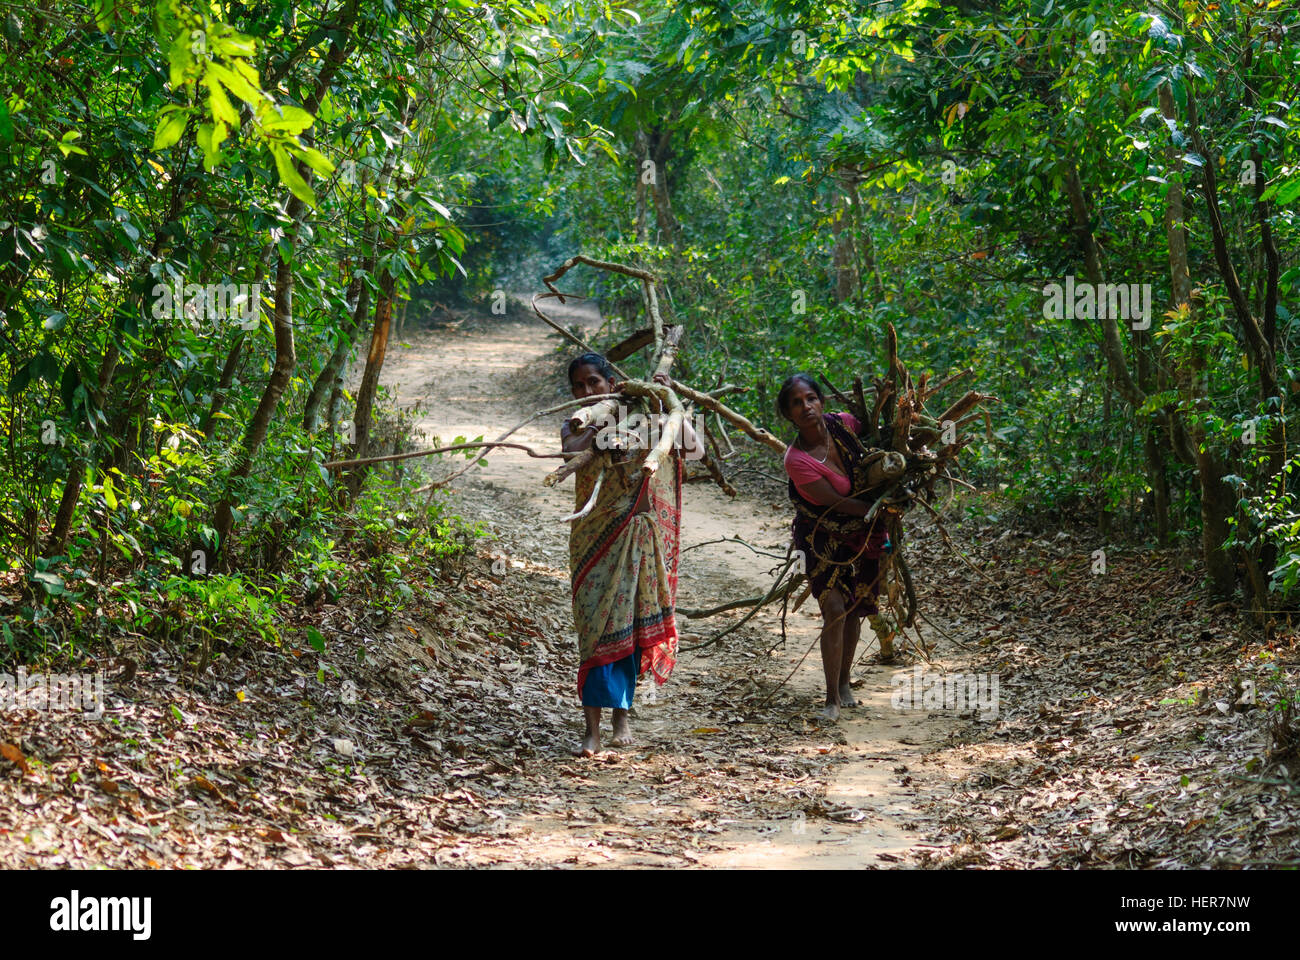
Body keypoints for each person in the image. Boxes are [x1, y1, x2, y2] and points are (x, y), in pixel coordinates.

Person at [560, 353, 698, 756]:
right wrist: (603, 424)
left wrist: (666, 399)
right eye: (580, 386)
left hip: (639, 538)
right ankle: (592, 729)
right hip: (594, 542)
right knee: (595, 631)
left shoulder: (648, 420)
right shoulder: (576, 425)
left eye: (594, 383)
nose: (587, 392)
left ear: (611, 383)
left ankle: (621, 718)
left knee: (631, 627)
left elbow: (693, 448)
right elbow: (573, 451)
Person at [778, 373, 894, 722]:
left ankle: (844, 683)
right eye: (796, 403)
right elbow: (838, 504)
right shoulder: (796, 460)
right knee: (834, 606)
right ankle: (831, 699)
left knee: (856, 607)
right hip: (822, 536)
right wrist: (883, 508)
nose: (806, 407)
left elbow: (879, 438)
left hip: (864, 533)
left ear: (821, 401)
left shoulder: (843, 425)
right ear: (788, 415)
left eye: (810, 398)